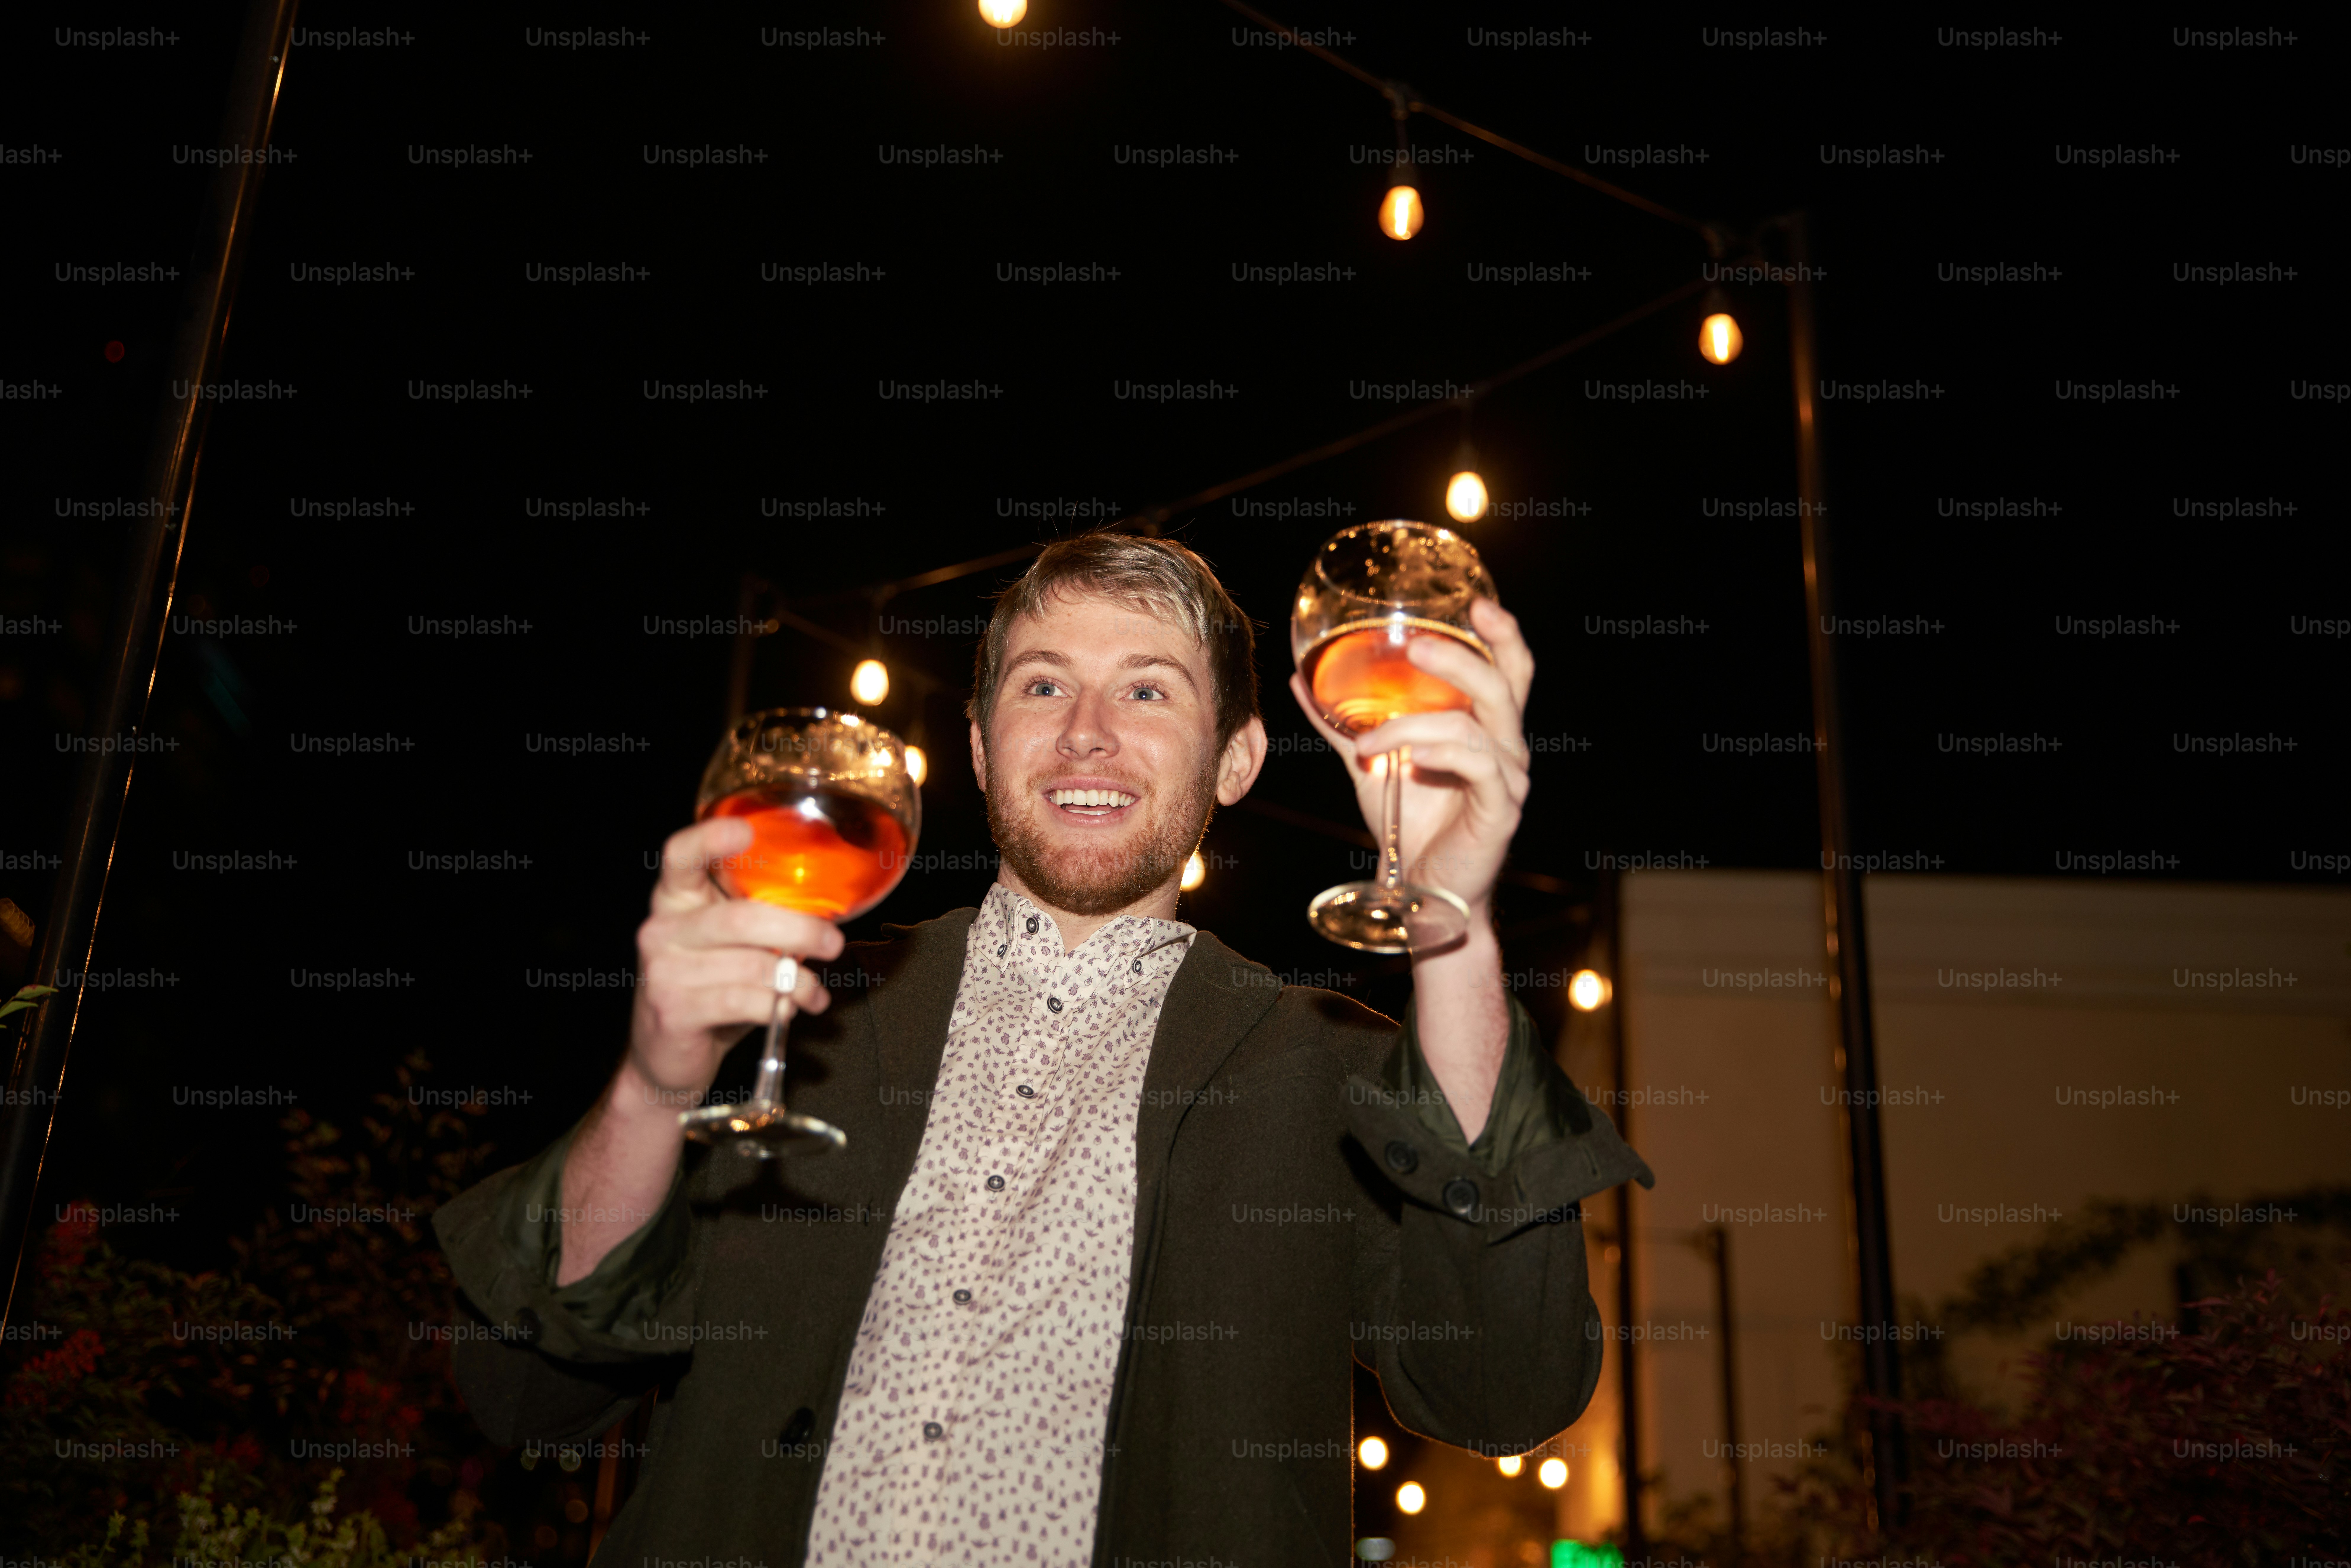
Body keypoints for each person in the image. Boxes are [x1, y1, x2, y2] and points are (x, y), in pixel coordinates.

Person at [434, 530, 1651, 1565]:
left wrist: (1454, 928)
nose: (1084, 735)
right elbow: (521, 1387)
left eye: (1146, 690)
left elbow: (1505, 1391)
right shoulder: (795, 1011)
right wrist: (654, 1085)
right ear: (972, 746)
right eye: (1040, 686)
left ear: (1236, 760)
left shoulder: (1336, 1071)